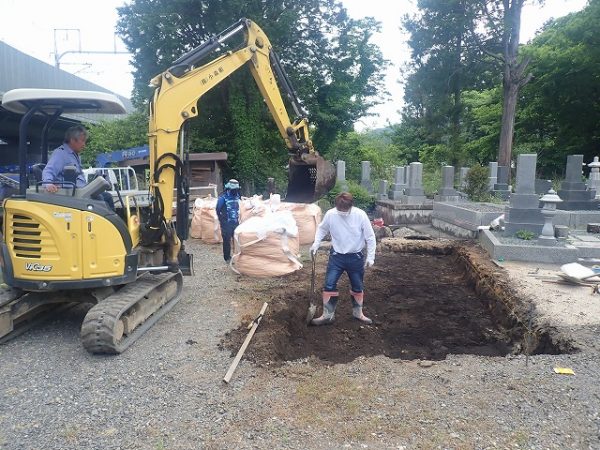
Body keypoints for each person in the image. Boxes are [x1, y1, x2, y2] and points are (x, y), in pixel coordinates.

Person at [310, 192, 376, 325]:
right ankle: (327, 315)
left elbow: (370, 237)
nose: (343, 212)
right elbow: (322, 229)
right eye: (340, 210)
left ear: (351, 206)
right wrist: (316, 243)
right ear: (336, 206)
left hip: (355, 257)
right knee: (329, 284)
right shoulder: (331, 214)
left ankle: (358, 313)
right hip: (337, 257)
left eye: (345, 210)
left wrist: (370, 257)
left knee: (357, 285)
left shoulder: (360, 215)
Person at [42, 125, 115, 210]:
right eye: (83, 141)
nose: (84, 144)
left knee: (108, 196)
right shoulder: (60, 154)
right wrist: (48, 184)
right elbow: (48, 170)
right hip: (72, 194)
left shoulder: (75, 155)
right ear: (73, 140)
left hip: (81, 192)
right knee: (99, 199)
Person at [216, 179, 241, 263]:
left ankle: (236, 255)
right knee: (227, 240)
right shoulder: (222, 198)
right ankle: (227, 257)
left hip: (236, 222)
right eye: (234, 190)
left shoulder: (237, 196)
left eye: (236, 189)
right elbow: (218, 209)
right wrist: (222, 219)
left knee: (236, 239)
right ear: (229, 189)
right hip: (226, 222)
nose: (236, 191)